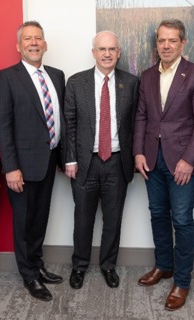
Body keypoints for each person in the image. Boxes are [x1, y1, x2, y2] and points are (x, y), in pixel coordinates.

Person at [133, 19, 194, 311]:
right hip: (152, 160)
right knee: (157, 214)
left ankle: (181, 281)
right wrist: (138, 153)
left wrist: (189, 159)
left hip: (182, 163)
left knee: (181, 220)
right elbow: (141, 116)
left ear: (182, 43)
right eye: (161, 41)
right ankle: (163, 266)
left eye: (172, 41)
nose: (166, 46)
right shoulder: (147, 76)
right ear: (157, 44)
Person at [0, 20, 65, 302]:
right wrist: (10, 167)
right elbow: (3, 125)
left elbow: (60, 120)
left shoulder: (57, 75)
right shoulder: (6, 77)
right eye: (28, 39)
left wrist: (63, 156)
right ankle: (29, 275)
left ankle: (37, 263)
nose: (34, 43)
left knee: (40, 218)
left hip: (48, 162)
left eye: (38, 39)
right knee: (23, 222)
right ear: (18, 46)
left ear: (44, 44)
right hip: (20, 167)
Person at [63, 31, 139, 290]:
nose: (107, 54)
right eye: (102, 49)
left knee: (113, 219)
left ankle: (108, 265)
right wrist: (70, 159)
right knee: (82, 219)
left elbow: (137, 124)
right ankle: (79, 266)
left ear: (119, 52)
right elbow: (69, 124)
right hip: (85, 163)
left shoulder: (131, 83)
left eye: (112, 49)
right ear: (93, 52)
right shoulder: (76, 82)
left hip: (118, 163)